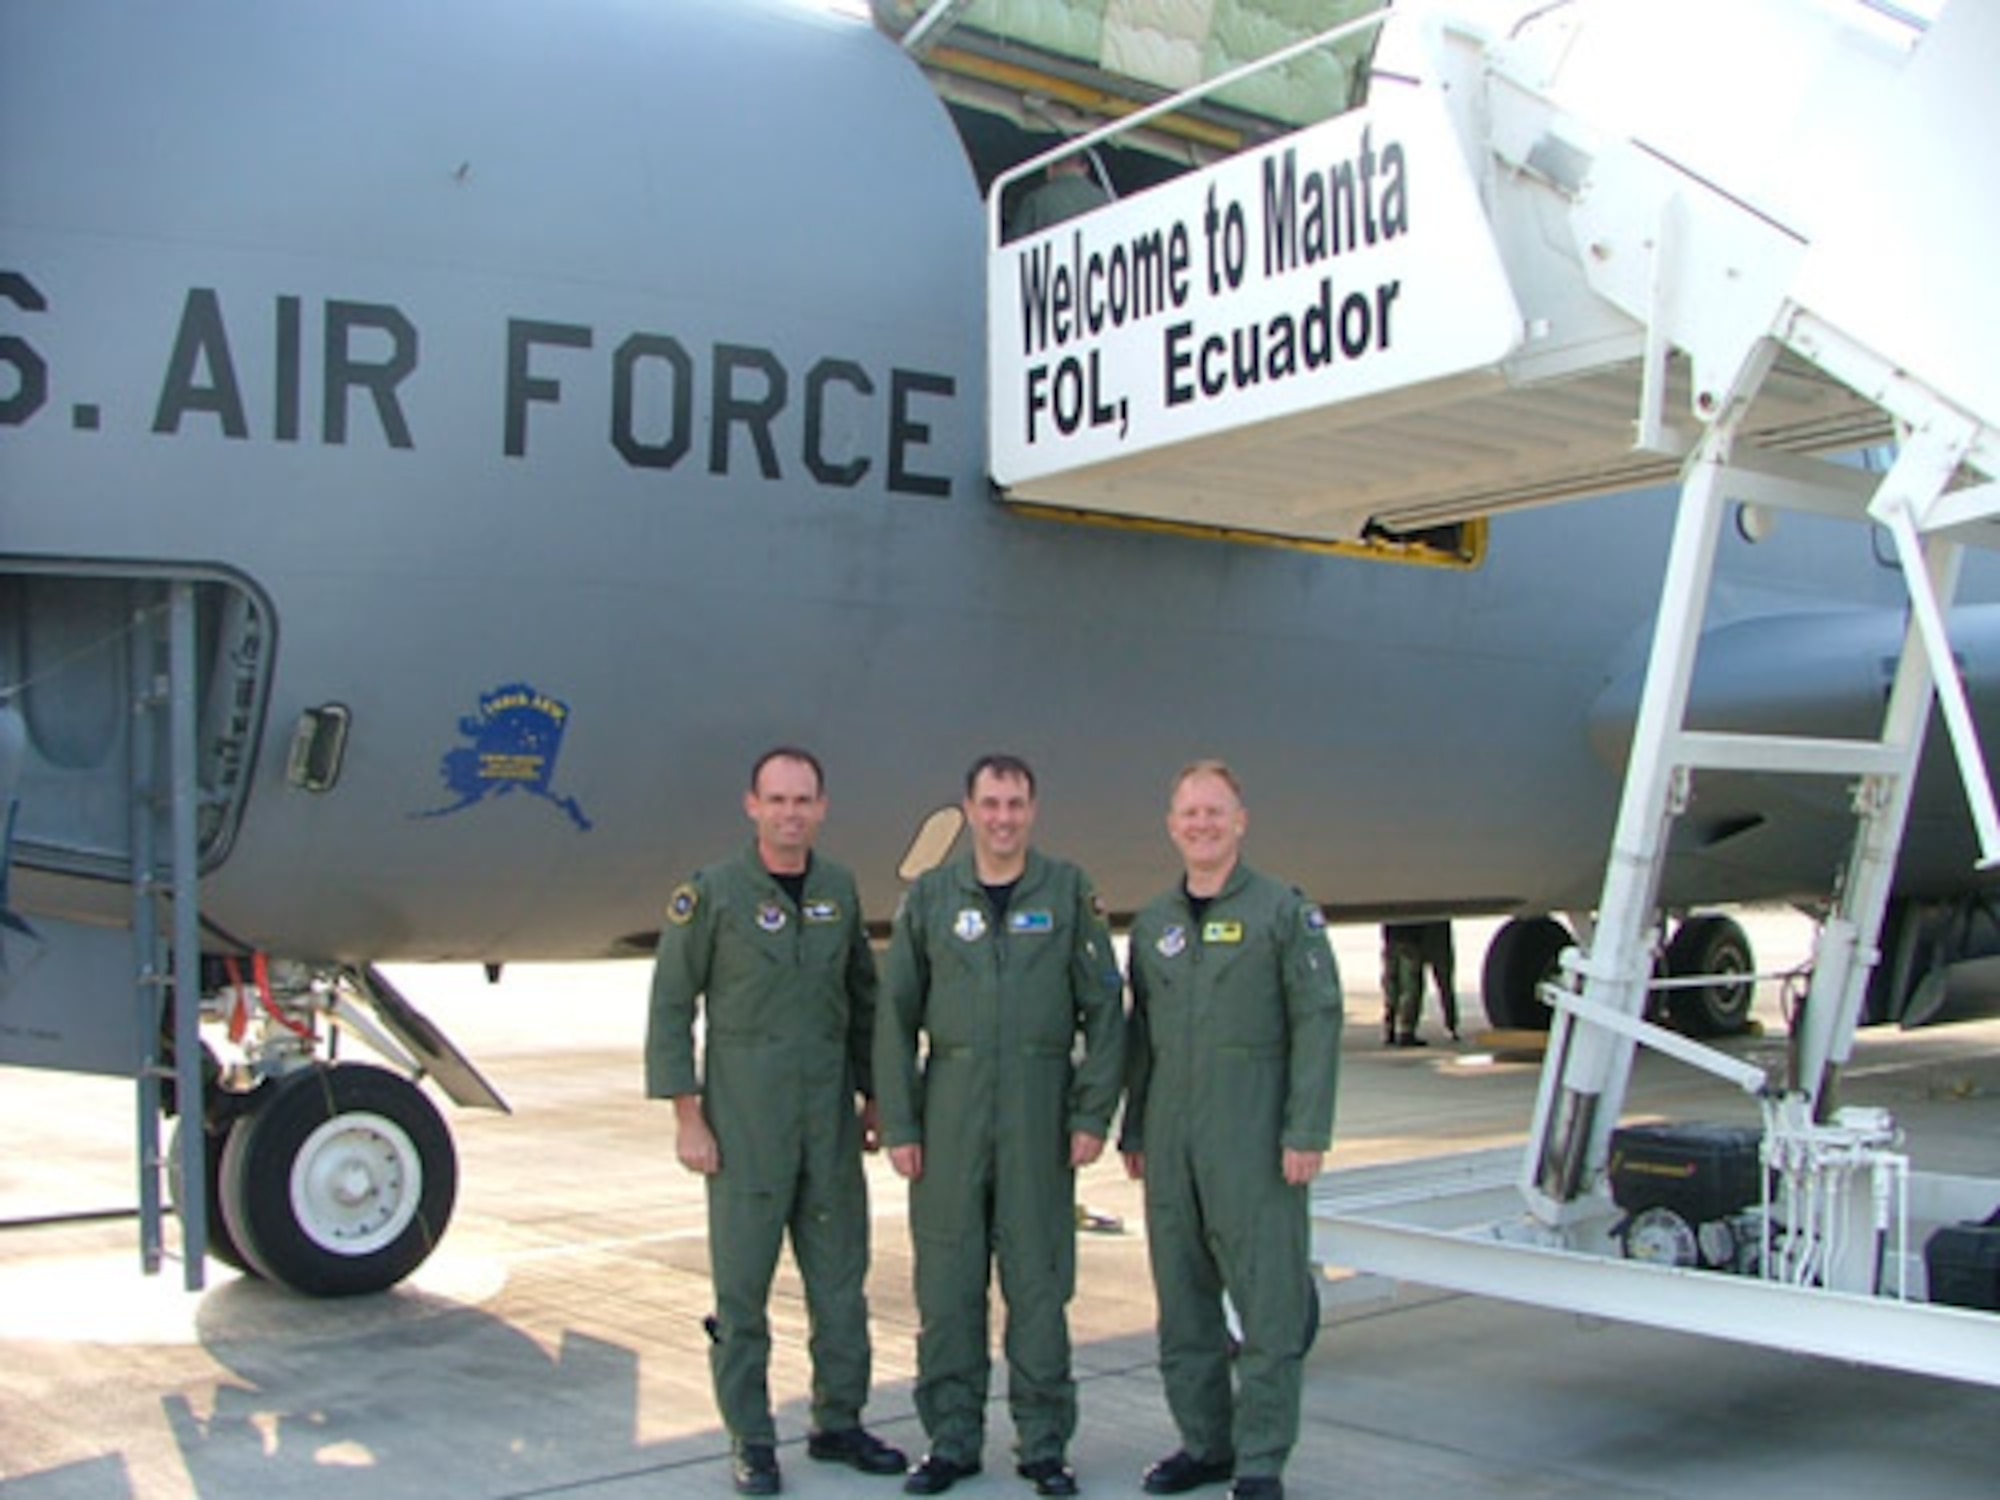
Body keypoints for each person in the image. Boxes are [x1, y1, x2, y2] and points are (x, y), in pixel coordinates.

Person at [645, 747, 905, 1495]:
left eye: (804, 801)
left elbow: (863, 1001)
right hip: (744, 1130)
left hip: (826, 1124)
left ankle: (839, 1422)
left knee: (840, 1285)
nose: (791, 813)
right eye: (777, 800)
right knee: (742, 1295)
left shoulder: (838, 890)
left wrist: (876, 1096)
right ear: (751, 806)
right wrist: (687, 1118)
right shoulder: (713, 894)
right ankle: (751, 1438)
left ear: (822, 809)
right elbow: (670, 1007)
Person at [875, 754, 1125, 1498]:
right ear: (970, 808)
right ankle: (951, 1442)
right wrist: (901, 1122)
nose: (1003, 818)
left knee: (1040, 1287)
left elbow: (1105, 1011)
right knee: (948, 1287)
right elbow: (894, 1019)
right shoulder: (930, 898)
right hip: (950, 1107)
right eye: (991, 804)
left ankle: (1044, 1446)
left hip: (1039, 1111)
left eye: (1015, 804)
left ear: (1032, 811)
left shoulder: (1069, 891)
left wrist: (1090, 1113)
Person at [1120, 761, 1343, 1500]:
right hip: (1172, 1141)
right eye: (1189, 814)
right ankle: (1205, 1444)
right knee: (1182, 1305)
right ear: (1172, 825)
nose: (1202, 825)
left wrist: (1305, 1129)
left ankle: (1260, 1460)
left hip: (1255, 1140)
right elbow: (1141, 1036)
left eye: (1215, 813)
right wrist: (1134, 1132)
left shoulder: (1283, 912)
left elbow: (1318, 1020)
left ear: (1240, 821)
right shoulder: (1153, 923)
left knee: (1268, 1304)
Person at [1380, 920, 1459, 1045]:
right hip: (1416, 936)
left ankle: (1391, 1026)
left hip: (1395, 935)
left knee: (1394, 984)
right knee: (1413, 986)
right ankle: (1406, 1030)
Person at [1005, 150, 1109, 240]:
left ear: (1049, 169)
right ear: (1086, 168)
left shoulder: (1035, 201)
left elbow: (1012, 248)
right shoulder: (1107, 200)